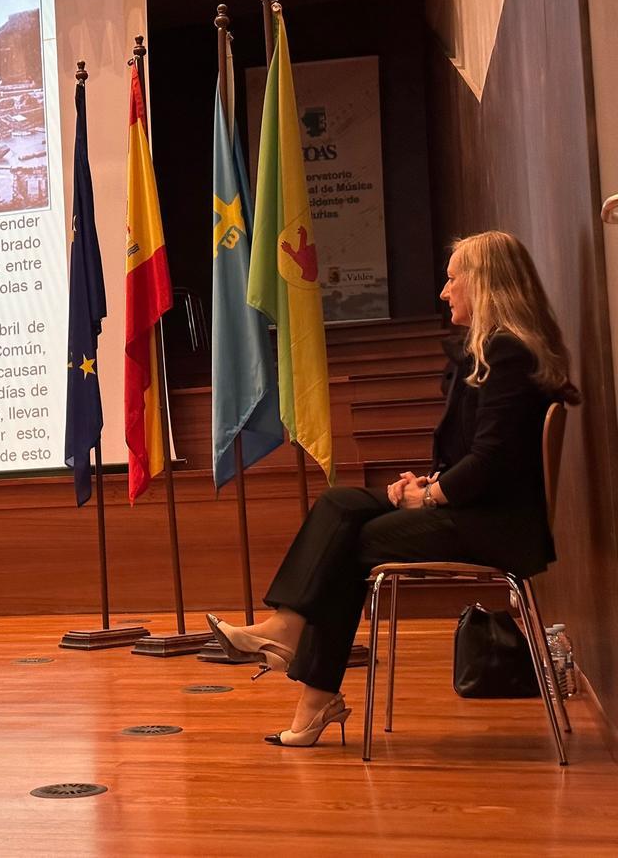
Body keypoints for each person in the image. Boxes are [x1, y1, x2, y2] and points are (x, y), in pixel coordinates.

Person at [209, 230, 580, 747]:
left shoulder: (507, 354)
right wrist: (429, 483)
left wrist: (427, 496)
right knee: (340, 505)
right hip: (478, 509)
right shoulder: (495, 353)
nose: (444, 292)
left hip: (496, 526)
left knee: (350, 542)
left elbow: (493, 464)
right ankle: (293, 644)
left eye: (453, 280)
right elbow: (481, 458)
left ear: (485, 284)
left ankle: (302, 666)